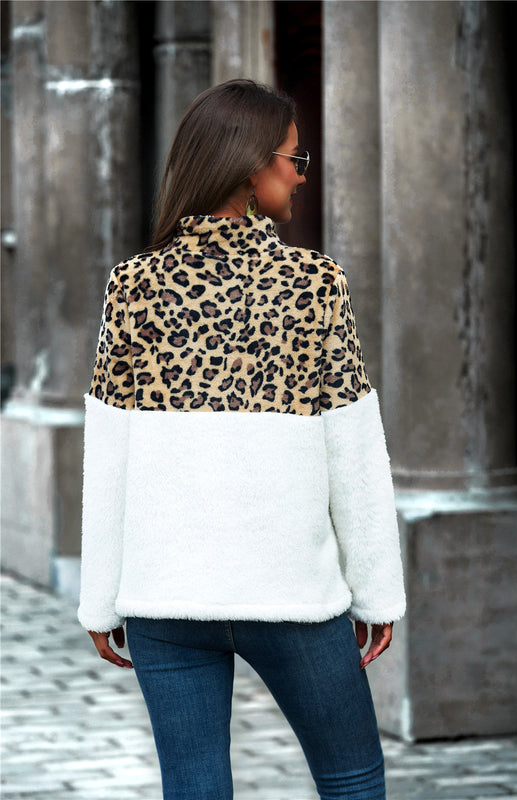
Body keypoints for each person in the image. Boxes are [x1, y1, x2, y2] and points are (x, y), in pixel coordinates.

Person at [78, 79, 406, 800]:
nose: (301, 173)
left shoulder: (132, 286)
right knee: (351, 779)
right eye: (295, 158)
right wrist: (376, 590)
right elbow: (351, 447)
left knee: (194, 788)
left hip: (167, 600)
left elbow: (109, 453)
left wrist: (99, 600)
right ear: (252, 168)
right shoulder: (314, 283)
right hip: (289, 594)